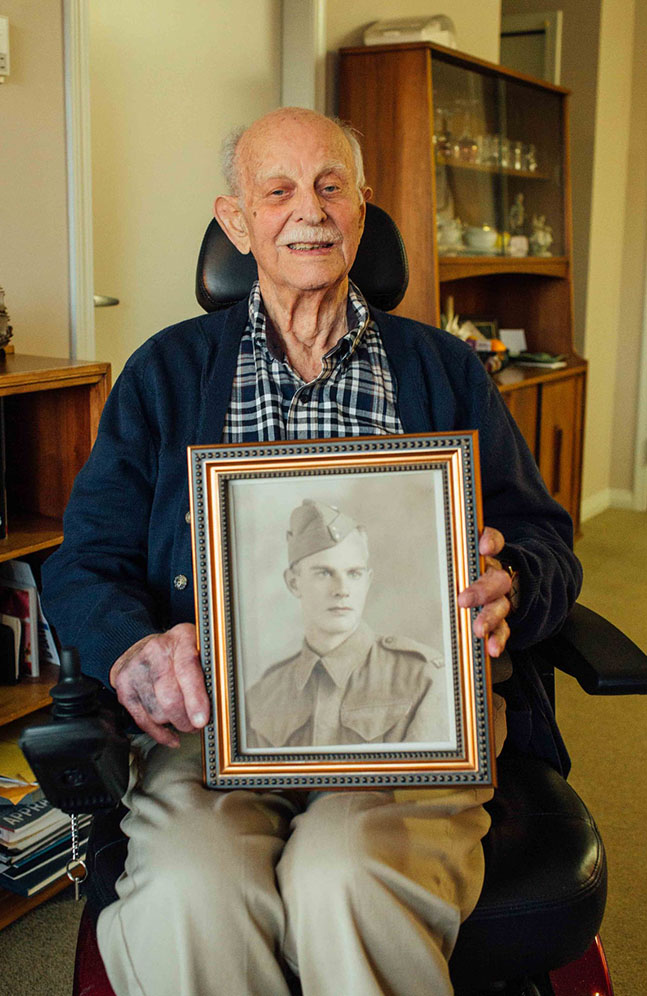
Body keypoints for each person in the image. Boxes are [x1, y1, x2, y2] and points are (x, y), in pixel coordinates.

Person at [41, 107, 582, 996]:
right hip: (220, 723)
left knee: (346, 875)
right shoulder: (165, 373)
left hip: (411, 724)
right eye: (279, 190)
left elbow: (540, 538)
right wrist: (136, 648)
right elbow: (83, 561)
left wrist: (512, 580)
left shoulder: (445, 369)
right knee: (188, 885)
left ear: (363, 208)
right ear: (235, 220)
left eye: (332, 186)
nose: (310, 211)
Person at [246, 499, 449, 749]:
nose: (342, 590)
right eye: (324, 573)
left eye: (354, 574)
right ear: (293, 583)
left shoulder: (422, 675)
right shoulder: (264, 694)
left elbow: (433, 784)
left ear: (368, 581)